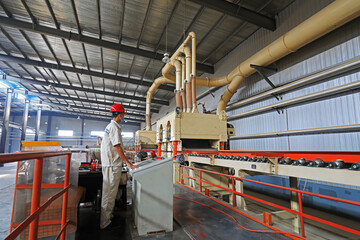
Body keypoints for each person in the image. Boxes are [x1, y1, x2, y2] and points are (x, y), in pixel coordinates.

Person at [100, 103, 138, 229]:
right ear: (120, 114)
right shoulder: (114, 127)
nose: (123, 116)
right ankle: (105, 222)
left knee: (109, 192)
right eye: (123, 114)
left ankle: (107, 217)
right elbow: (117, 147)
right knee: (109, 193)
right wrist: (128, 163)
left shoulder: (110, 126)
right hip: (112, 165)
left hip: (110, 164)